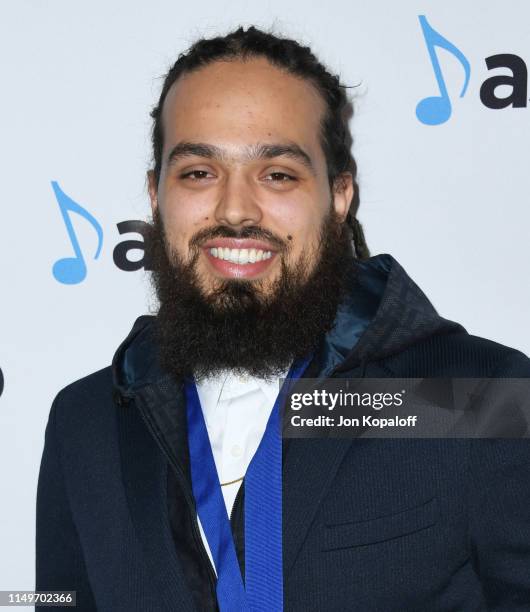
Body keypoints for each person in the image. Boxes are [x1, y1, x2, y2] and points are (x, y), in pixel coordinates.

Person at [36, 25, 530, 611]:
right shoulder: (85, 420)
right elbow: (56, 601)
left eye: (278, 174)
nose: (236, 209)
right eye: (198, 171)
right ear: (155, 195)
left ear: (339, 195)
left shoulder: (475, 397)